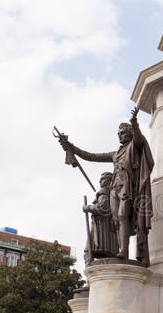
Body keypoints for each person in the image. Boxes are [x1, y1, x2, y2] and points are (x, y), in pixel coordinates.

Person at [58, 108, 154, 266]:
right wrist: (70, 146)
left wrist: (134, 122)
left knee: (123, 216)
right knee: (116, 221)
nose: (119, 135)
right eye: (118, 133)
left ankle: (123, 251)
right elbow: (91, 156)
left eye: (122, 132)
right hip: (114, 189)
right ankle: (121, 249)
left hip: (128, 188)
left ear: (129, 133)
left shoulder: (134, 146)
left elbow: (139, 138)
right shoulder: (115, 154)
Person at [83, 172, 119, 263]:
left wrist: (88, 207)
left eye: (102, 179)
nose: (100, 181)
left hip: (101, 225)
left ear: (109, 181)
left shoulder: (104, 192)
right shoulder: (110, 193)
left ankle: (89, 265)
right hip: (102, 225)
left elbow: (102, 208)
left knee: (88, 250)